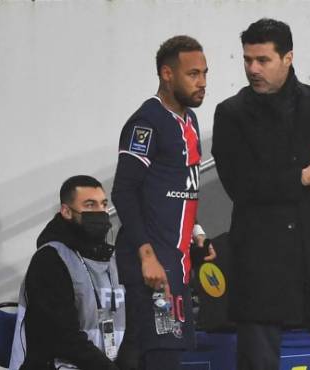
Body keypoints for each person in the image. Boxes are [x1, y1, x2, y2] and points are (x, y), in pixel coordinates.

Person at [212, 18, 310, 370]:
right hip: (261, 265)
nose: (253, 69)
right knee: (258, 362)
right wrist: (301, 177)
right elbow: (239, 186)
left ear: (288, 58)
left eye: (263, 60)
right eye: (246, 60)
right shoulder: (231, 114)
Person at [111, 35, 215, 369]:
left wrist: (196, 231)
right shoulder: (146, 123)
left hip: (177, 260)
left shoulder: (191, 121)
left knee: (157, 354)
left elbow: (186, 186)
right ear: (167, 75)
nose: (202, 83)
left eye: (204, 74)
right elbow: (123, 192)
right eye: (193, 74)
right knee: (154, 356)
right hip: (152, 265)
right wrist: (146, 256)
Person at [10, 175, 126, 370]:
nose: (100, 212)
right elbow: (61, 336)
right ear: (66, 211)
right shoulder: (49, 259)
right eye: (90, 205)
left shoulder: (112, 258)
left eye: (103, 204)